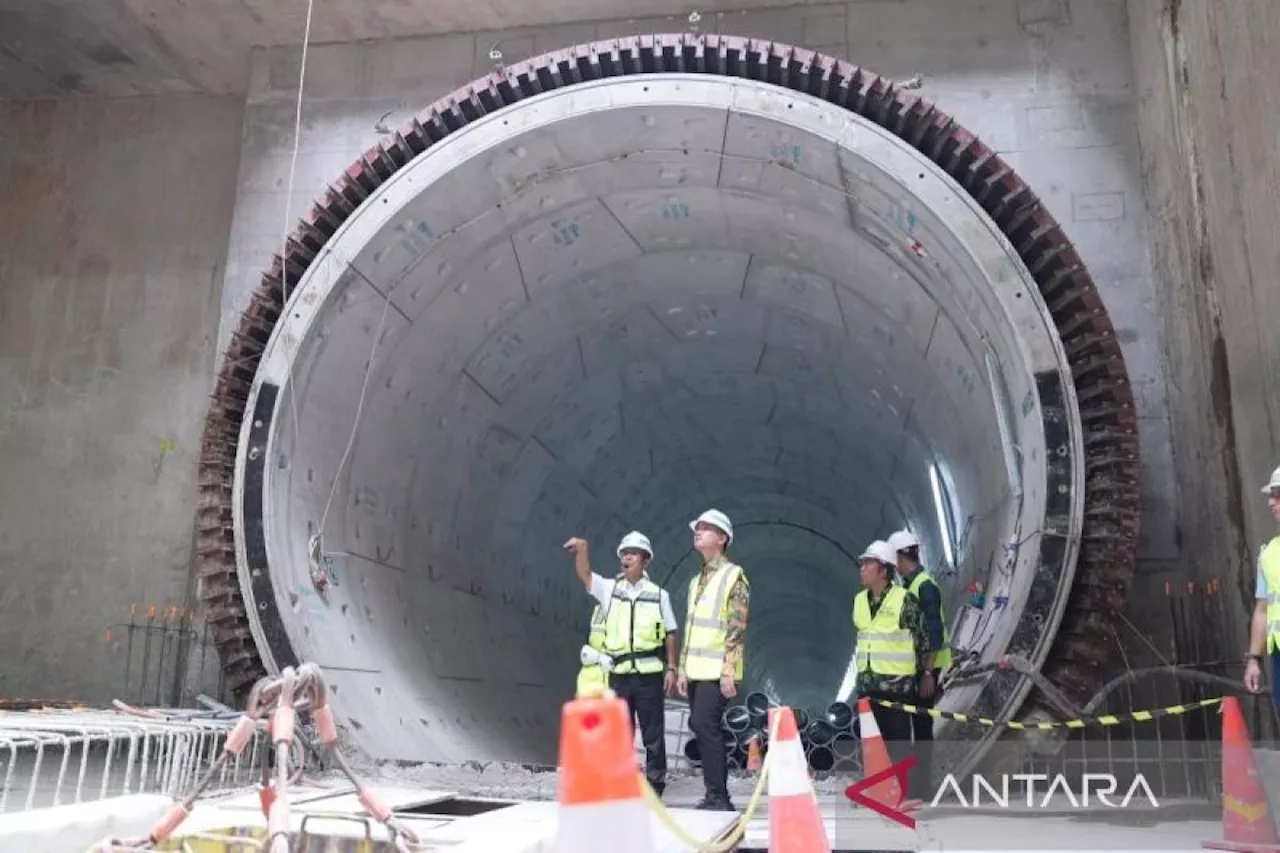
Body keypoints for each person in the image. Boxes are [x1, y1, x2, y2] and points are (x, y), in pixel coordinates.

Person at [564, 531, 679, 796]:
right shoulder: (610, 590)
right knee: (618, 732)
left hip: (649, 673)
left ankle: (655, 783)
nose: (627, 558)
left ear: (645, 560)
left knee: (653, 732)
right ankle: (620, 781)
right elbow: (586, 576)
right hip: (619, 673)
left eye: (633, 554)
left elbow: (671, 631)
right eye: (624, 554)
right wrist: (583, 550)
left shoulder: (658, 595)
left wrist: (672, 668)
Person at [676, 509, 749, 812]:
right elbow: (691, 627)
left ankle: (719, 797)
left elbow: (737, 625)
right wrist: (682, 668)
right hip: (696, 670)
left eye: (706, 528)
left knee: (704, 724)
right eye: (698, 528)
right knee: (703, 726)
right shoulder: (696, 581)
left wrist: (729, 669)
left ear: (722, 538)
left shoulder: (734, 577)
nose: (699, 531)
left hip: (718, 670)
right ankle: (714, 794)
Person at [852, 539, 934, 796]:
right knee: (873, 745)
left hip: (897, 686)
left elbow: (924, 641)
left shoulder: (904, 600)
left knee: (898, 744)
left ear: (884, 570)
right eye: (862, 563)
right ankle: (880, 791)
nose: (862, 568)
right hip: (868, 686)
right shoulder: (858, 601)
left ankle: (904, 794)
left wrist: (927, 674)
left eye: (868, 563)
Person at [888, 528, 951, 799]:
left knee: (922, 728)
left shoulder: (924, 587)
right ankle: (915, 784)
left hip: (927, 668)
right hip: (916, 667)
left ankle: (922, 787)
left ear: (903, 557)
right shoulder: (910, 586)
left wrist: (928, 672)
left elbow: (933, 632)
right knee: (914, 726)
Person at [1243, 465, 1280, 704]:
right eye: (1271, 496)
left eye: (1278, 495)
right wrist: (1254, 659)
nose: (1270, 502)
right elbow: (1263, 609)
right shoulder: (1268, 554)